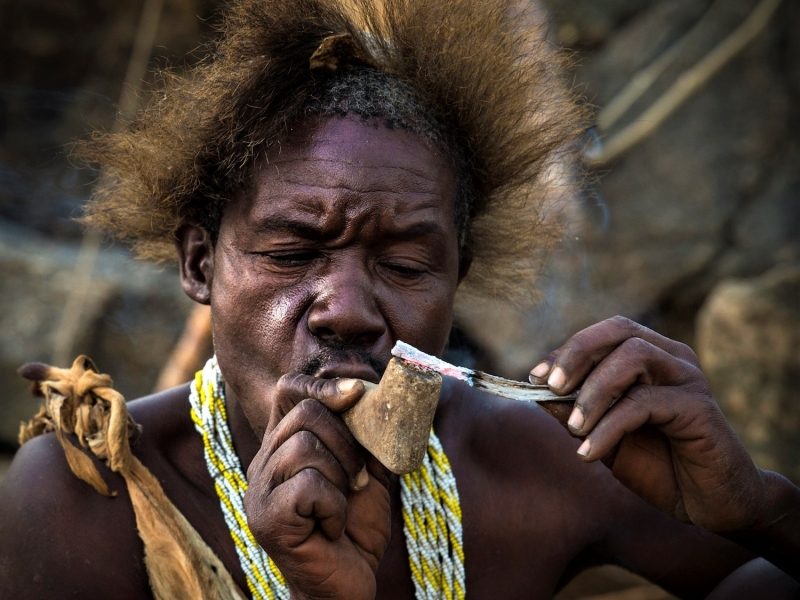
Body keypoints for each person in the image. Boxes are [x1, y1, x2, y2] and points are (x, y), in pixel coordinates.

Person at [1, 0, 799, 598]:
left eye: (407, 265)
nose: (348, 311)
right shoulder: (88, 501)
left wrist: (760, 508)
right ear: (200, 263)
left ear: (458, 275)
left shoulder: (542, 464)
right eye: (292, 254)